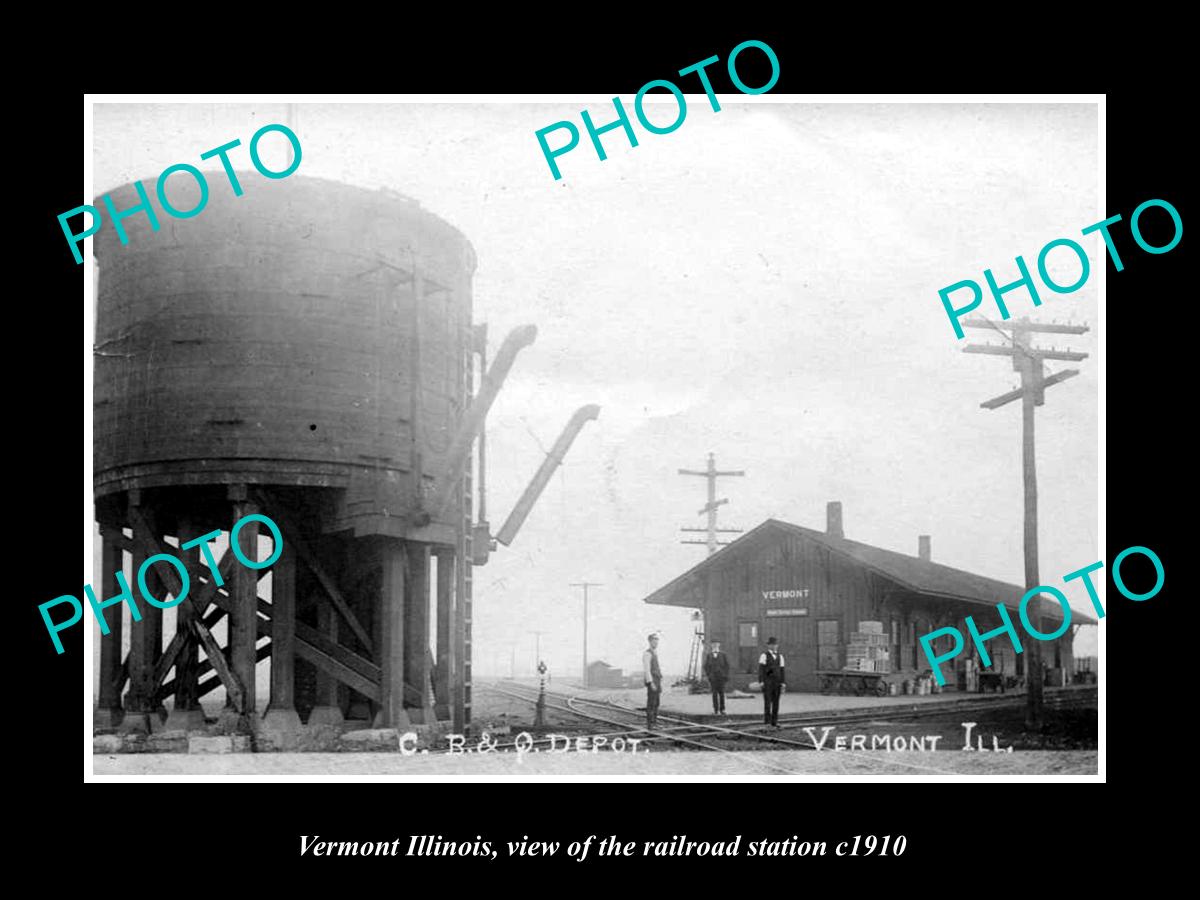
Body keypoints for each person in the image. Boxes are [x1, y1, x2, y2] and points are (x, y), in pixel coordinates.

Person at [758, 637, 786, 727]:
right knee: (767, 702)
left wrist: (783, 682)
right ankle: (767, 722)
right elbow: (761, 670)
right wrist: (761, 681)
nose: (774, 646)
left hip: (777, 683)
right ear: (768, 646)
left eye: (775, 645)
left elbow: (782, 670)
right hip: (767, 682)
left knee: (776, 702)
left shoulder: (780, 656)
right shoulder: (764, 655)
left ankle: (774, 721)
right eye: (772, 645)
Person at [702, 639, 730, 716]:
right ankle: (715, 710)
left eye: (716, 644)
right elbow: (706, 666)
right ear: (711, 646)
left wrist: (725, 675)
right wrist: (709, 675)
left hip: (721, 678)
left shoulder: (723, 655)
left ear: (719, 645)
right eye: (713, 644)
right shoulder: (709, 655)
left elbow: (727, 666)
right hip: (713, 678)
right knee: (714, 694)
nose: (715, 645)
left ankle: (722, 709)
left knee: (721, 693)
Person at [643, 633, 662, 729]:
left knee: (657, 703)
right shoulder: (647, 653)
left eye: (657, 641)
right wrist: (651, 683)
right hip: (652, 681)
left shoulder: (655, 653)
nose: (656, 643)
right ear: (650, 641)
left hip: (657, 680)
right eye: (654, 641)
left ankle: (654, 722)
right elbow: (647, 670)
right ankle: (650, 724)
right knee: (651, 703)